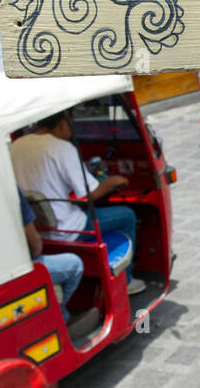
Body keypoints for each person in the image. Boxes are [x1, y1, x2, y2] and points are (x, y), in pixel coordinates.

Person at [11, 111, 147, 294]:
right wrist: (113, 181)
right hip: (66, 229)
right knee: (127, 215)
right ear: (61, 123)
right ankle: (127, 281)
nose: (72, 129)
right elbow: (92, 193)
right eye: (71, 123)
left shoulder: (16, 145)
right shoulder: (62, 148)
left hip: (34, 230)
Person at [19, 189, 84, 325]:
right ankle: (60, 318)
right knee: (75, 264)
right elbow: (35, 246)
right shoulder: (7, 187)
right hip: (17, 270)